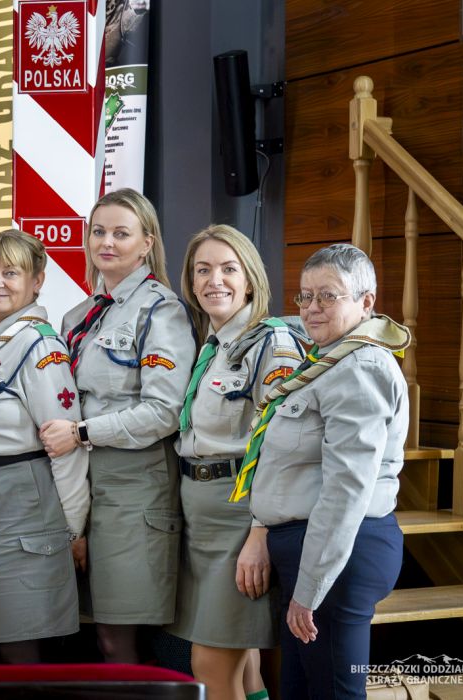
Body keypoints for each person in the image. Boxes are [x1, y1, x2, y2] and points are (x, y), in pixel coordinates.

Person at [236, 243, 409, 699]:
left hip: (337, 561)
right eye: (305, 296)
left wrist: (310, 588)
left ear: (366, 302)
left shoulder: (359, 368)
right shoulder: (328, 360)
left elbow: (345, 490)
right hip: (313, 556)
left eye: (327, 296)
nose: (312, 308)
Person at [40, 188, 195, 663]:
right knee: (91, 630)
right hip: (81, 483)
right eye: (99, 231)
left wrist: (82, 433)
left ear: (147, 243)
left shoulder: (160, 310)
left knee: (118, 631)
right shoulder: (78, 315)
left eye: (121, 234)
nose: (106, 242)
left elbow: (164, 412)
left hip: (134, 485)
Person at [167, 225, 305, 700]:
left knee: (209, 664)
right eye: (202, 270)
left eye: (229, 269)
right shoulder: (214, 345)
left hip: (238, 516)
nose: (214, 280)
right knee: (244, 667)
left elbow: (282, 447)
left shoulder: (272, 343)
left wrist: (260, 533)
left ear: (250, 280)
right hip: (201, 514)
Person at [0, 229, 90, 663]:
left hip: (21, 507)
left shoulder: (39, 345)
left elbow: (65, 446)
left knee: (18, 644)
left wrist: (74, 529)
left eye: (10, 273)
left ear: (37, 280)